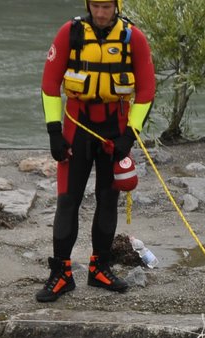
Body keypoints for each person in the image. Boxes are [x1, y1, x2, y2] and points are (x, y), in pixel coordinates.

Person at [36, 0, 156, 300]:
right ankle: (61, 273)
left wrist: (130, 134)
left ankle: (99, 268)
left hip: (114, 133)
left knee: (107, 199)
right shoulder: (70, 33)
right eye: (96, 6)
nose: (101, 13)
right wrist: (54, 132)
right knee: (68, 200)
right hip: (76, 128)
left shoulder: (134, 38)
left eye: (106, 6)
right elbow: (50, 85)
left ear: (116, 6)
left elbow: (146, 90)